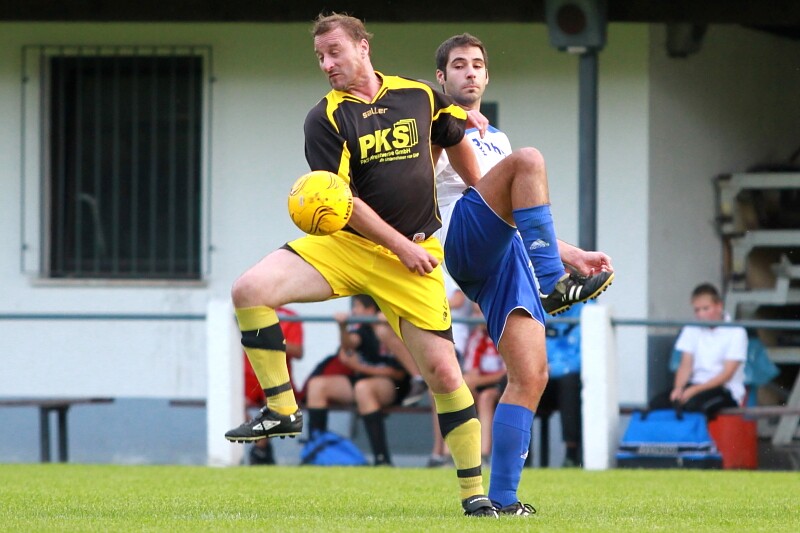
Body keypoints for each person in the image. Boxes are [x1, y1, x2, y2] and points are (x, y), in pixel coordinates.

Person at [225, 14, 496, 517]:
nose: (327, 64)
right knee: (249, 290)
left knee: (444, 374)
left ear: (363, 47)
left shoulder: (417, 94)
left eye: (335, 52)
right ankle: (282, 408)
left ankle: (474, 496)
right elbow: (341, 200)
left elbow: (454, 135)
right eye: (320, 57)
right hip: (349, 247)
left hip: (413, 256)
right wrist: (398, 245)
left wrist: (480, 193)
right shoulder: (324, 118)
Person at [432, 33, 615, 515]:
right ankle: (553, 285)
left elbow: (516, 215)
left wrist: (571, 254)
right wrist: (447, 120)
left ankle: (505, 500)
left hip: (505, 253)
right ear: (441, 77)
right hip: (462, 239)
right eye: (458, 65)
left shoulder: (497, 139)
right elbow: (423, 175)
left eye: (477, 64)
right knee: (529, 159)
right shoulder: (431, 123)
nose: (469, 72)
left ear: (487, 76)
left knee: (531, 375)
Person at [305, 295, 410, 466]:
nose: (353, 311)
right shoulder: (362, 329)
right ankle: (315, 453)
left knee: (363, 388)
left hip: (393, 387)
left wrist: (360, 368)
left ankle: (381, 459)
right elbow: (350, 344)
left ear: (370, 309)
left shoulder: (390, 329)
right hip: (361, 381)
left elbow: (398, 374)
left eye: (357, 306)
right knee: (317, 385)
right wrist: (342, 328)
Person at [648, 283, 747, 417]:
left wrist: (694, 390)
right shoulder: (691, 328)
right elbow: (685, 366)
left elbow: (727, 375)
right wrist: (678, 389)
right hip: (694, 386)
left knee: (693, 407)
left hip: (725, 390)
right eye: (697, 310)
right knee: (657, 404)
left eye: (705, 309)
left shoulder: (736, 332)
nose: (701, 314)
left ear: (719, 306)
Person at [244, 306, 304, 465]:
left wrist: (273, 342)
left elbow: (298, 351)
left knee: (272, 399)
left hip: (276, 379)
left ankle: (260, 450)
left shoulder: (289, 316)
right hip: (248, 378)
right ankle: (261, 448)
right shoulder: (246, 313)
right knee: (231, 401)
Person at [538, 303, 584, 467]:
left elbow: (582, 361)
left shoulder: (587, 309)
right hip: (543, 378)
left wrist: (553, 368)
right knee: (514, 382)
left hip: (571, 382)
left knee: (569, 384)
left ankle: (571, 455)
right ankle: (518, 454)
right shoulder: (540, 308)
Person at [461, 304, 506, 464]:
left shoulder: (503, 336)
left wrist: (475, 381)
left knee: (486, 397)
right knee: (458, 395)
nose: (475, 317)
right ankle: (450, 455)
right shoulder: (476, 338)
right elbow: (472, 371)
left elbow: (507, 373)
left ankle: (484, 454)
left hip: (501, 388)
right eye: (474, 313)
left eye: (479, 312)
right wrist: (472, 381)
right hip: (480, 386)